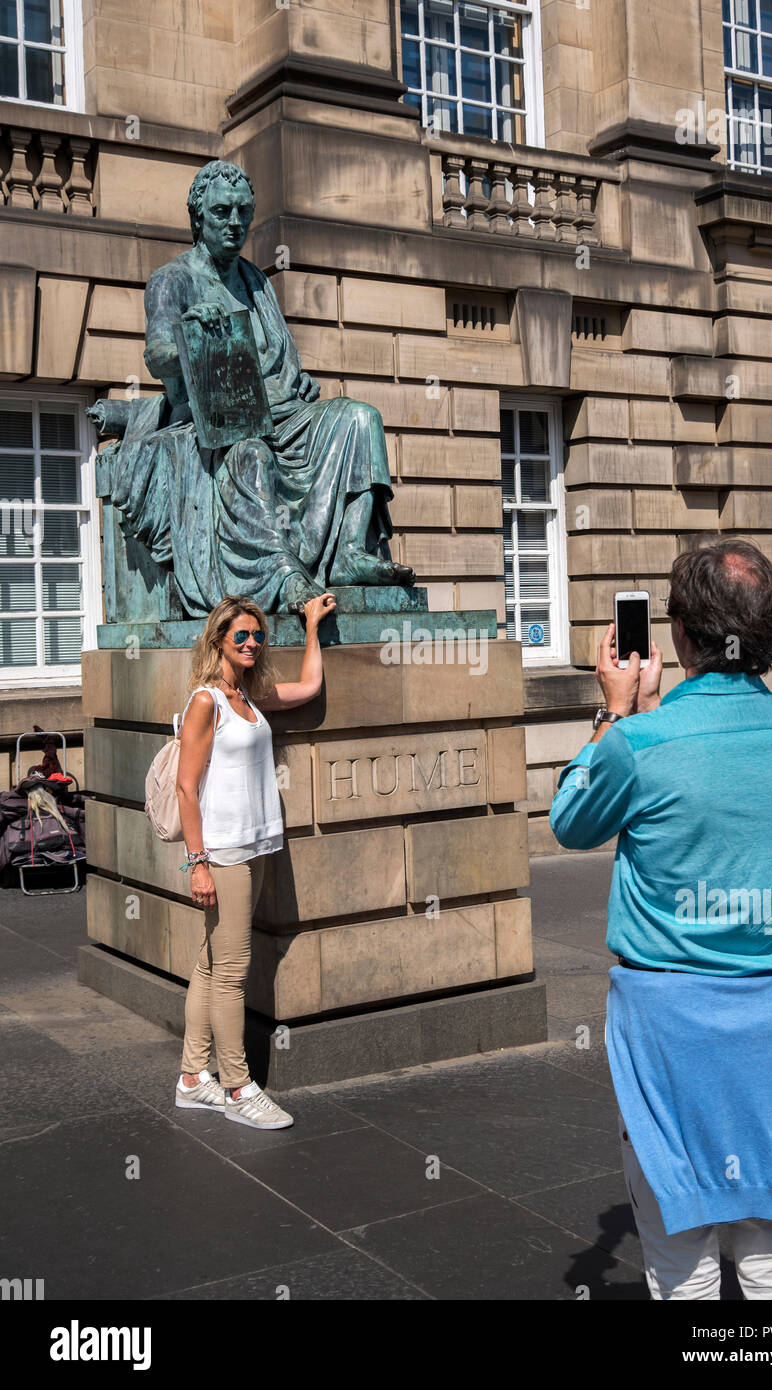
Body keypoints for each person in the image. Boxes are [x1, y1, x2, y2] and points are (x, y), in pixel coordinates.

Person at [550, 539, 772, 1299]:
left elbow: (572, 822)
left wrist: (616, 714)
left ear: (679, 635)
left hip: (670, 1024)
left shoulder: (640, 744)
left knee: (678, 1253)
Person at [88, 159, 413, 617]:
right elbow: (157, 354)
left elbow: (278, 359)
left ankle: (348, 554)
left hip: (283, 411)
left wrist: (297, 378)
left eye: (244, 212)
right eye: (222, 212)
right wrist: (189, 332)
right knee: (251, 454)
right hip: (218, 423)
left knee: (361, 417)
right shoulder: (172, 279)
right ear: (198, 218)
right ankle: (281, 577)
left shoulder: (257, 280)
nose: (235, 223)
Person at [174, 589, 335, 1128]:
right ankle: (239, 1087)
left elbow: (310, 687)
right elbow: (185, 788)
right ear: (218, 639)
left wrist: (311, 624)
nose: (250, 642)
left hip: (258, 845)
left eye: (257, 635)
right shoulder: (207, 702)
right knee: (232, 972)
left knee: (211, 962)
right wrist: (197, 862)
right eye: (239, 634)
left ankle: (193, 1078)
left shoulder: (249, 697)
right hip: (224, 851)